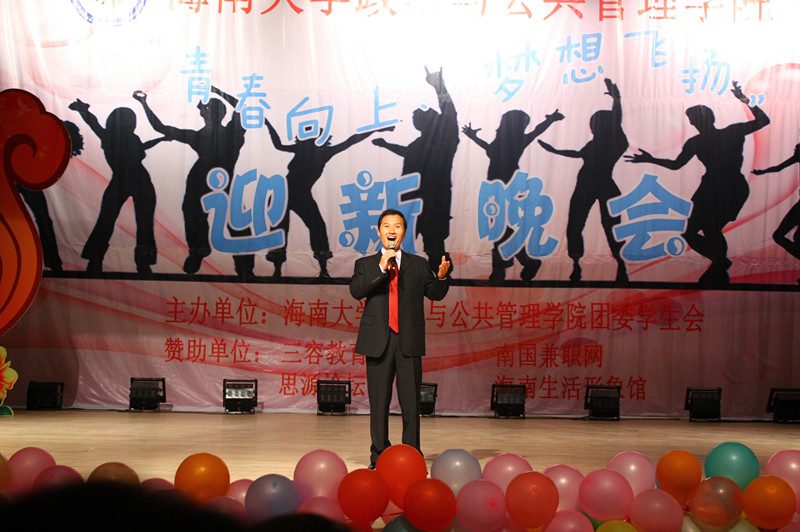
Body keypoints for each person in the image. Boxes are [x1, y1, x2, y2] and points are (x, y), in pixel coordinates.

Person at [625, 80, 770, 286]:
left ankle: (719, 264)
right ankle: (720, 262)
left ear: (707, 119)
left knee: (711, 229)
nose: (694, 123)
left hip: (730, 187)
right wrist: (651, 159)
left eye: (694, 119)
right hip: (710, 188)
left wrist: (744, 100)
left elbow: (763, 120)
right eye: (692, 120)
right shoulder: (696, 142)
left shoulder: (731, 131)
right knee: (693, 231)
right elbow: (676, 164)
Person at [349, 209, 450, 468]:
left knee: (411, 403)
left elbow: (435, 294)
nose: (391, 231)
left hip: (408, 341)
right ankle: (379, 456)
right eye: (386, 226)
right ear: (378, 231)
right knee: (379, 403)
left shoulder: (418, 264)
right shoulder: (365, 264)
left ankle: (412, 456)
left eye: (397, 226)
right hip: (377, 342)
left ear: (404, 232)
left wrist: (441, 277)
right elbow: (357, 291)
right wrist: (381, 268)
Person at [133, 87, 255, 280]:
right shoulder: (200, 136)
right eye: (204, 110)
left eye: (207, 109)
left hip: (224, 181)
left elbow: (242, 107)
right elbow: (161, 128)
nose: (203, 112)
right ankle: (199, 251)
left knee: (236, 221)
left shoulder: (232, 132)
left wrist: (218, 92)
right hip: (199, 181)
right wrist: (144, 104)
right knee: (193, 213)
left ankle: (245, 266)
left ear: (217, 114)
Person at [263, 118, 394, 278]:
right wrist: (268, 123)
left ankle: (322, 269)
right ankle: (278, 269)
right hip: (283, 192)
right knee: (282, 228)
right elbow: (278, 145)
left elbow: (351, 140)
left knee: (317, 227)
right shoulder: (301, 149)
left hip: (300, 194)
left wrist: (375, 130)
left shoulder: (323, 152)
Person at [538, 78, 628, 283]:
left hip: (599, 185)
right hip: (589, 186)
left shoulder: (615, 142)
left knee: (608, 226)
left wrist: (617, 99)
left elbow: (617, 120)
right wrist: (554, 150)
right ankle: (577, 264)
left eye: (596, 124)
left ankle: (619, 264)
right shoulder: (598, 143)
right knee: (578, 224)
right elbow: (577, 153)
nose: (593, 127)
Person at [371, 67, 459, 273]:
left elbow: (450, 114)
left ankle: (442, 277)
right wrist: (386, 144)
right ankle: (418, 278)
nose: (415, 118)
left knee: (433, 243)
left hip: (434, 201)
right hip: (413, 199)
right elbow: (407, 152)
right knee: (409, 244)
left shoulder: (445, 139)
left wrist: (439, 86)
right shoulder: (419, 143)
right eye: (415, 116)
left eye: (420, 116)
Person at [462, 108, 563, 281]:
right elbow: (489, 148)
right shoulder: (500, 142)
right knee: (499, 228)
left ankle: (506, 267)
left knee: (499, 228)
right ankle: (522, 262)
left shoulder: (517, 141)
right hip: (495, 189)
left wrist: (550, 119)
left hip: (507, 189)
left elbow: (537, 130)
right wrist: (473, 137)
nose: (500, 126)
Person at [69, 99, 166, 275]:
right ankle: (139, 262)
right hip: (135, 180)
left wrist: (84, 111)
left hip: (130, 180)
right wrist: (84, 111)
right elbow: (93, 123)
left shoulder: (110, 137)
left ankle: (98, 259)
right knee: (137, 222)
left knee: (112, 220)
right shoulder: (123, 137)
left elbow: (94, 123)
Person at [752, 143, 800, 280]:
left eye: (797, 148)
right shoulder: (797, 155)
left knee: (791, 237)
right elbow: (779, 168)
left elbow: (779, 168)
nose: (795, 148)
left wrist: (762, 172)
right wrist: (762, 172)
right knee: (783, 236)